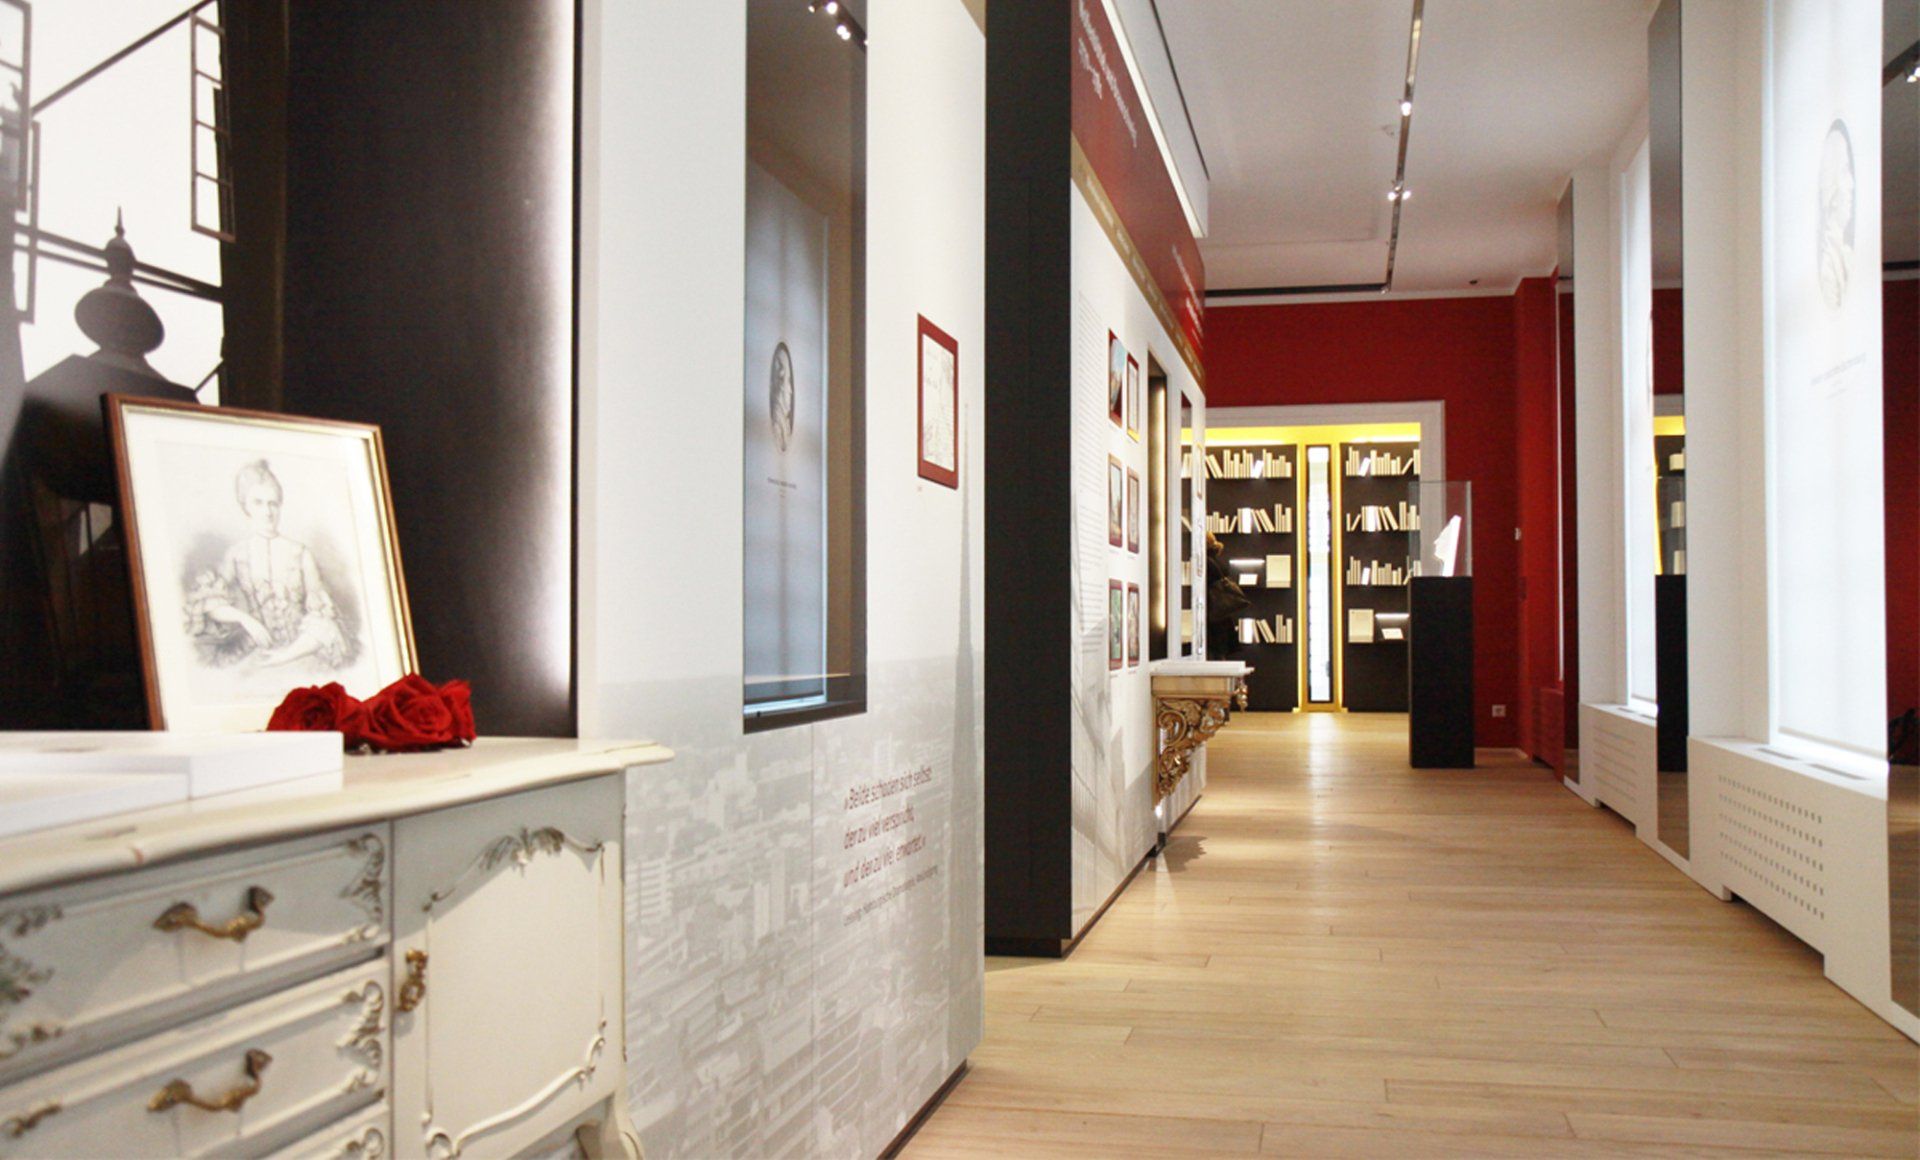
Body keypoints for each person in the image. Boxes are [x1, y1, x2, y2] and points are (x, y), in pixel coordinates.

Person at [184, 459, 354, 670]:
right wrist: (245, 619)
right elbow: (210, 604)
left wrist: (283, 657)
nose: (267, 512)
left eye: (273, 503)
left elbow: (323, 619)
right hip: (253, 647)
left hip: (300, 648)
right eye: (258, 503)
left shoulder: (300, 553)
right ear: (245, 505)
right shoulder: (237, 555)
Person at [1204, 531, 1250, 656]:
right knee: (1219, 654)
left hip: (1213, 614)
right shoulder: (1216, 560)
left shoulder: (1206, 563)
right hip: (1221, 614)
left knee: (1213, 653)